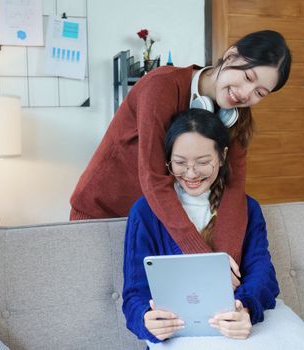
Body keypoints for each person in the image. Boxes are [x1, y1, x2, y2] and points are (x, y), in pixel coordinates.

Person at [70, 30, 291, 264]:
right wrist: (203, 258)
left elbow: (233, 190)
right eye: (248, 77)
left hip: (155, 224)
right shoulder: (160, 86)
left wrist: (225, 264)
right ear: (231, 56)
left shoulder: (237, 118)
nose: (246, 94)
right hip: (102, 214)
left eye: (259, 93)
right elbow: (153, 178)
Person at [122, 109, 278, 346]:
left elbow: (263, 274)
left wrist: (244, 308)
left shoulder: (247, 208)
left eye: (203, 162)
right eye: (180, 163)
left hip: (234, 331)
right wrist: (146, 318)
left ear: (222, 157)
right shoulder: (145, 212)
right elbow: (134, 293)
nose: (191, 173)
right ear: (167, 161)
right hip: (176, 334)